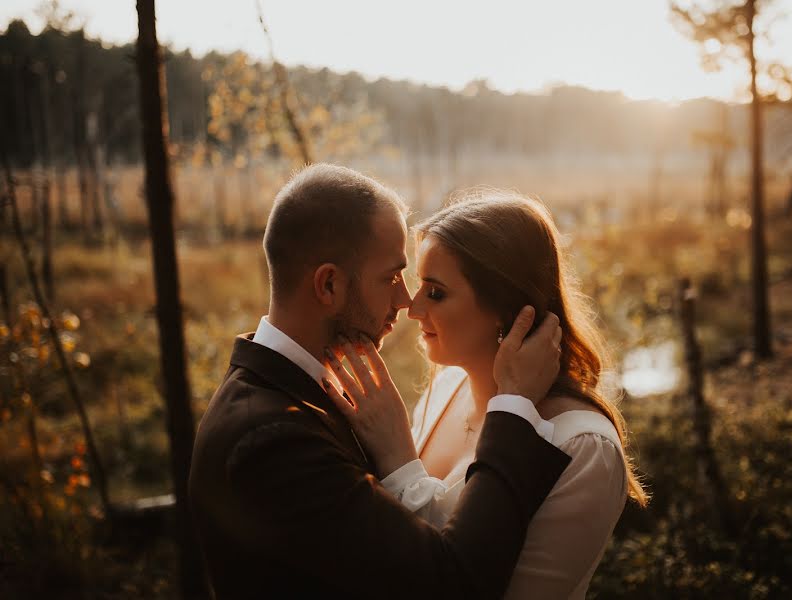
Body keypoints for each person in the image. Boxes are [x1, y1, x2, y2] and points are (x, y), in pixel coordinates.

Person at [188, 164, 571, 599]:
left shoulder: (298, 393)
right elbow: (453, 585)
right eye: (391, 277)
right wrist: (515, 405)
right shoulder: (271, 443)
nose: (405, 301)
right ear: (329, 285)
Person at [324, 190, 649, 600]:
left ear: (505, 305)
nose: (413, 308)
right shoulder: (446, 387)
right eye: (417, 286)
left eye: (436, 292)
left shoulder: (582, 447)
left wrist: (396, 457)